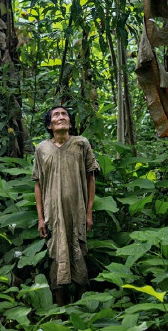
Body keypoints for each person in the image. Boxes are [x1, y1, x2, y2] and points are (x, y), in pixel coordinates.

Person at [32, 106, 100, 306]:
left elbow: (91, 178)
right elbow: (38, 183)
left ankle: (80, 305)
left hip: (76, 210)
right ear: (49, 125)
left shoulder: (81, 144)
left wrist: (88, 213)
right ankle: (60, 308)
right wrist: (40, 217)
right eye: (56, 115)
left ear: (70, 122)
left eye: (65, 114)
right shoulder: (41, 149)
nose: (61, 117)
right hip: (53, 213)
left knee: (78, 250)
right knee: (57, 253)